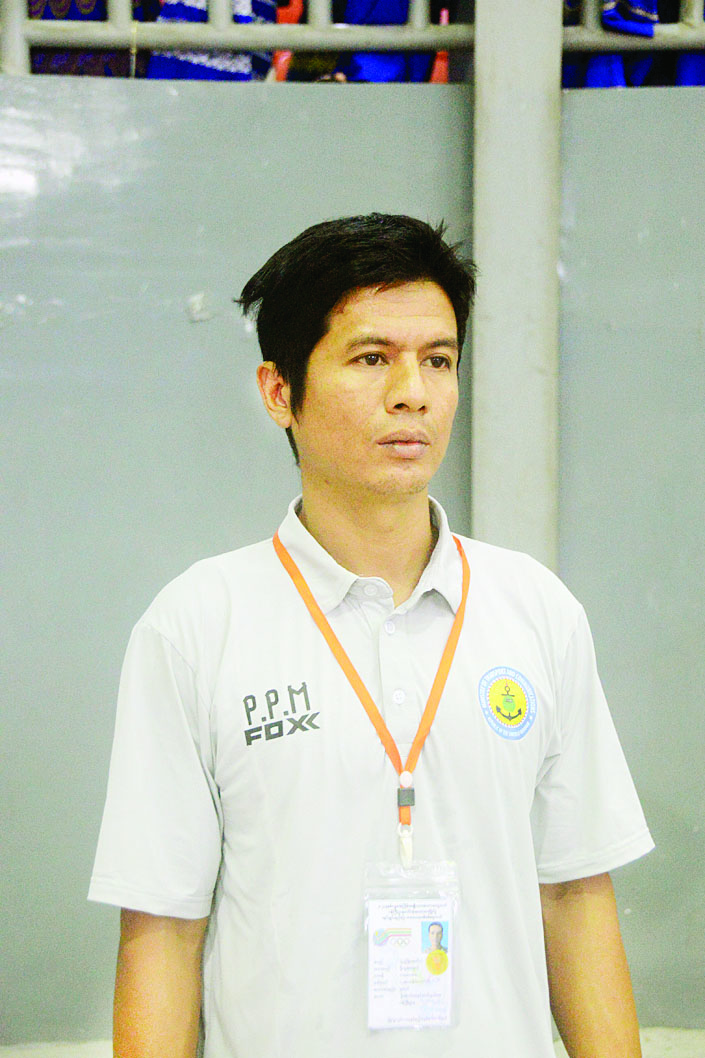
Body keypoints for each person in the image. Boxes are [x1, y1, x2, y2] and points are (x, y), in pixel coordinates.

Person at [89, 213, 654, 1058]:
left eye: (438, 360)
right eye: (370, 358)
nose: (412, 393)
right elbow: (163, 929)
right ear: (278, 392)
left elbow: (573, 896)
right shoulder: (196, 625)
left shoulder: (536, 610)